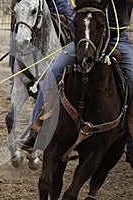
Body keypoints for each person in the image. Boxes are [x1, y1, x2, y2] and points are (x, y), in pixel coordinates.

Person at [17, 0, 133, 164]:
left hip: (117, 38)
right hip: (86, 36)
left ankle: (130, 141)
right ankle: (34, 131)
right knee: (53, 73)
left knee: (132, 79)